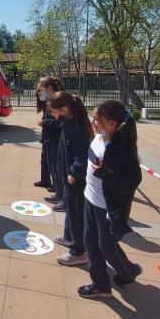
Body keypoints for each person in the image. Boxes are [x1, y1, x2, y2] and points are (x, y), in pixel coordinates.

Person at [79, 100, 143, 298]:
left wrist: (105, 173)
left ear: (112, 124)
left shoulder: (121, 148)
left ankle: (127, 272)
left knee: (106, 247)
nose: (93, 122)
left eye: (97, 119)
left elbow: (131, 182)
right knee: (90, 242)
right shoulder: (100, 136)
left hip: (107, 206)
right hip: (90, 198)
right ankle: (101, 284)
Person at [48, 91, 93, 266]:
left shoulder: (77, 128)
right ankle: (69, 237)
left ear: (64, 109)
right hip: (67, 177)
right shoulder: (68, 121)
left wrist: (74, 173)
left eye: (53, 110)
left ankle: (78, 252)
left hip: (75, 179)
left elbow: (81, 156)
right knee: (70, 210)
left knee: (76, 215)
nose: (52, 114)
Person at [34, 77, 65, 210]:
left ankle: (61, 195)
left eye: (43, 89)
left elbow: (59, 122)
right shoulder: (50, 100)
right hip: (49, 138)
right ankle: (57, 192)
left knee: (57, 169)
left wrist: (45, 123)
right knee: (51, 166)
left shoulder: (59, 100)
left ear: (50, 88)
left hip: (55, 139)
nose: (41, 92)